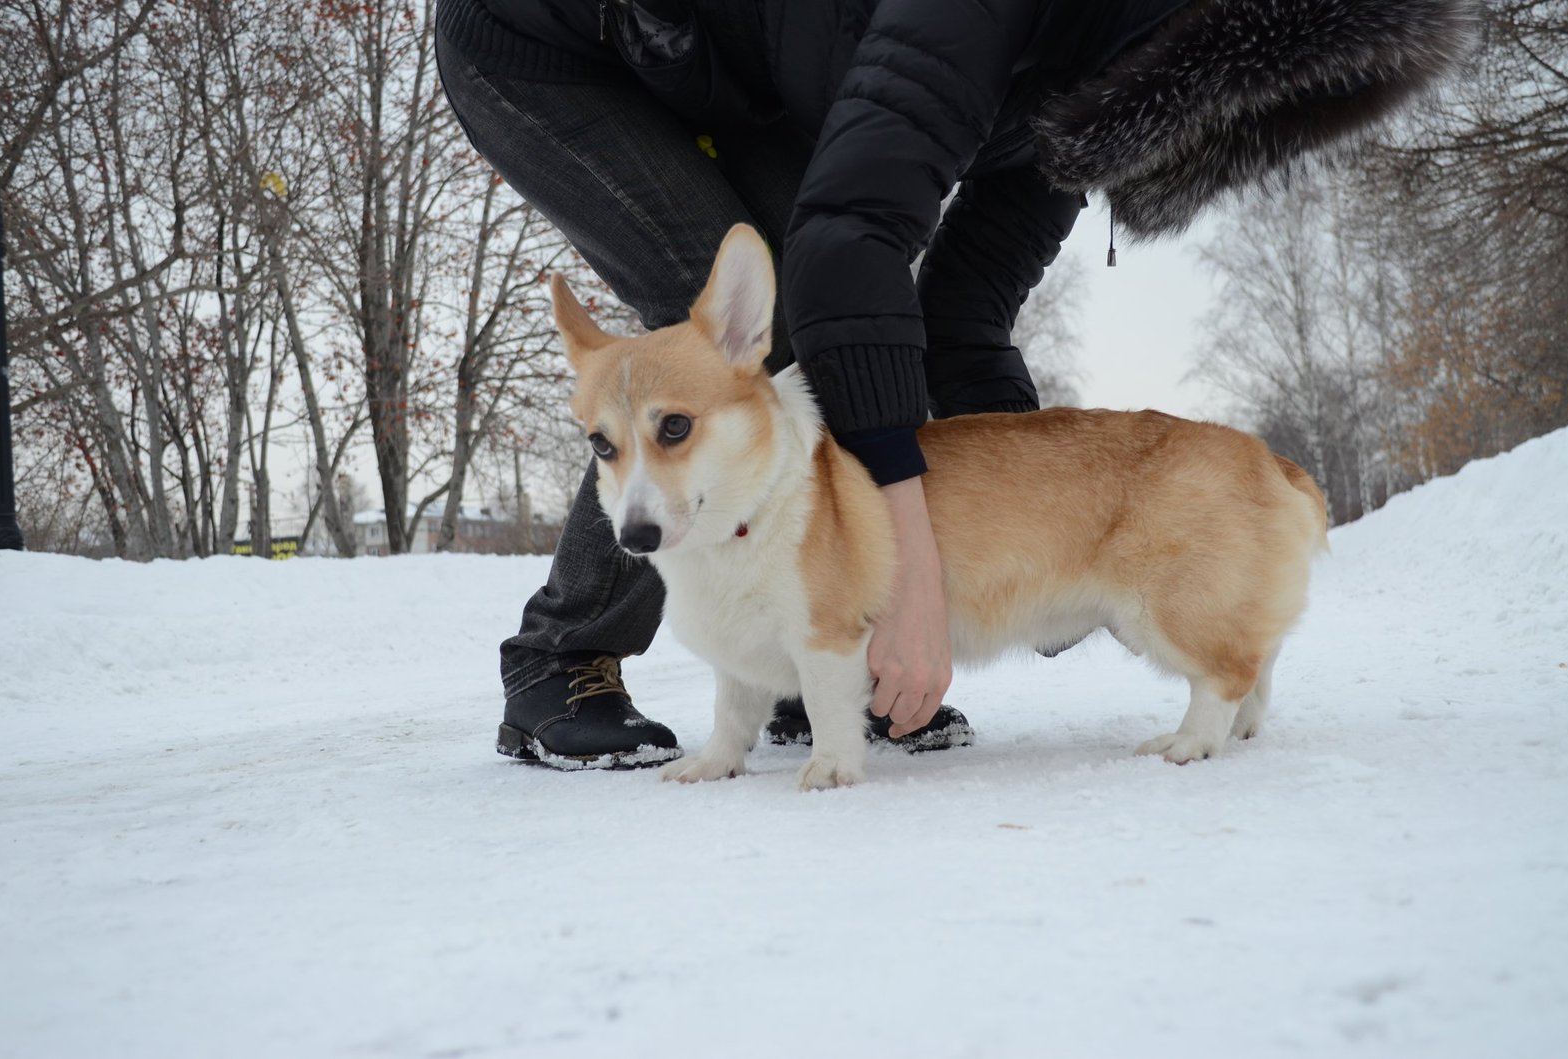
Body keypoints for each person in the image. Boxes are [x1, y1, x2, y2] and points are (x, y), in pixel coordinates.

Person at [435, 0, 1476, 769]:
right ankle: (559, 661)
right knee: (723, 342)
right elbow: (851, 248)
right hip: (559, 44)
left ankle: (812, 653)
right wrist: (915, 575)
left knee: (827, 323)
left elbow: (960, 316)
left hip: (742, 65)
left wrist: (1054, 517)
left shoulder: (1084, 105)